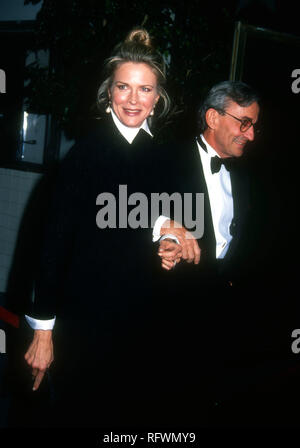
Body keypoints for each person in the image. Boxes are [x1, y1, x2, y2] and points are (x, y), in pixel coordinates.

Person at [20, 27, 198, 428]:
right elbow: (53, 247)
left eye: (145, 90)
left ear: (158, 98)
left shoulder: (165, 155)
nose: (133, 100)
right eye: (123, 87)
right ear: (109, 92)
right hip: (87, 322)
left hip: (143, 322)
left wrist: (170, 239)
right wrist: (43, 332)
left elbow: (168, 215)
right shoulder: (84, 156)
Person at [156, 81, 266, 426]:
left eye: (254, 125)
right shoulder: (166, 159)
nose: (250, 135)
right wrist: (162, 238)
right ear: (212, 118)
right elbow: (130, 216)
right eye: (243, 123)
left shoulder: (247, 172)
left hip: (223, 315)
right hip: (171, 315)